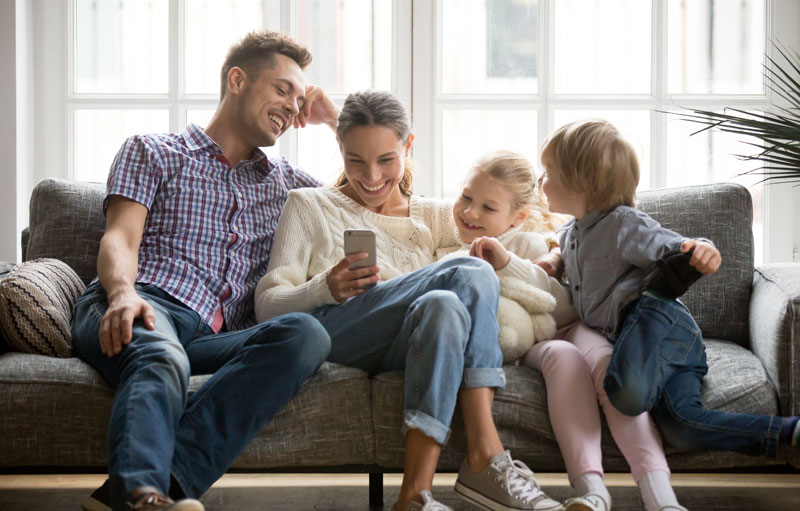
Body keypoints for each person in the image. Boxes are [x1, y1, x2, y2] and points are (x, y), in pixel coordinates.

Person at [255, 90, 564, 511]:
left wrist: (559, 252)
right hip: (338, 333)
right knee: (470, 271)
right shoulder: (308, 206)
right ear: (340, 151)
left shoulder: (438, 216)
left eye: (386, 159)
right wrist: (324, 287)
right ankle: (486, 454)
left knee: (446, 306)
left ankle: (414, 495)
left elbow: (509, 233)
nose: (371, 177)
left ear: (408, 146)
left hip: (407, 342)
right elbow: (267, 305)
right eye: (355, 160)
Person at [71, 30, 340, 511]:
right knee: (162, 356)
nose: (291, 107)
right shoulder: (154, 151)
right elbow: (121, 237)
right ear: (237, 80)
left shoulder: (289, 186)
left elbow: (375, 195)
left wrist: (336, 122)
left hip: (214, 338)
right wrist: (121, 293)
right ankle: (141, 495)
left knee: (306, 334)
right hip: (144, 302)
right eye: (282, 90)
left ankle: (146, 494)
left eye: (299, 100)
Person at [539, 119, 800, 473]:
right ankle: (789, 434)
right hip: (660, 350)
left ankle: (659, 295)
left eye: (548, 171)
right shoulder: (570, 232)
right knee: (683, 426)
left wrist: (702, 248)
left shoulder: (622, 224)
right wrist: (553, 262)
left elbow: (674, 245)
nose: (541, 180)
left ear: (582, 182)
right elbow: (564, 256)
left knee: (626, 395)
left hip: (662, 329)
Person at [441, 151, 687, 511]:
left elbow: (562, 303)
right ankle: (591, 489)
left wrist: (508, 263)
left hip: (572, 325)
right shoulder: (450, 252)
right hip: (536, 342)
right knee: (564, 357)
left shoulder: (531, 243)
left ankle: (660, 495)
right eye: (465, 198)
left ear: (518, 217)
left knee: (607, 364)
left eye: (487, 208)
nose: (470, 213)